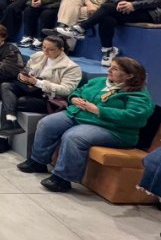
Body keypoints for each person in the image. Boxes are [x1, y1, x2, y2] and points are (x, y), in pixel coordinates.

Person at [17, 57, 154, 193]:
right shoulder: (99, 81)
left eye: (115, 69)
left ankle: (62, 179)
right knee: (47, 123)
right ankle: (38, 162)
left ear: (129, 75)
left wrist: (98, 110)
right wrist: (74, 98)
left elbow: (135, 117)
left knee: (74, 136)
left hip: (114, 130)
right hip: (80, 116)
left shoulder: (138, 95)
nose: (109, 70)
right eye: (110, 67)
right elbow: (77, 92)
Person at [0, 35, 81, 154]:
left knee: (14, 101)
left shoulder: (71, 67)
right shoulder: (38, 56)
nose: (46, 51)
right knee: (6, 86)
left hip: (48, 97)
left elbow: (66, 90)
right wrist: (22, 77)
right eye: (44, 47)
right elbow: (26, 71)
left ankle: (3, 136)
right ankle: (9, 124)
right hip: (30, 88)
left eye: (50, 49)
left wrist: (38, 83)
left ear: (61, 50)